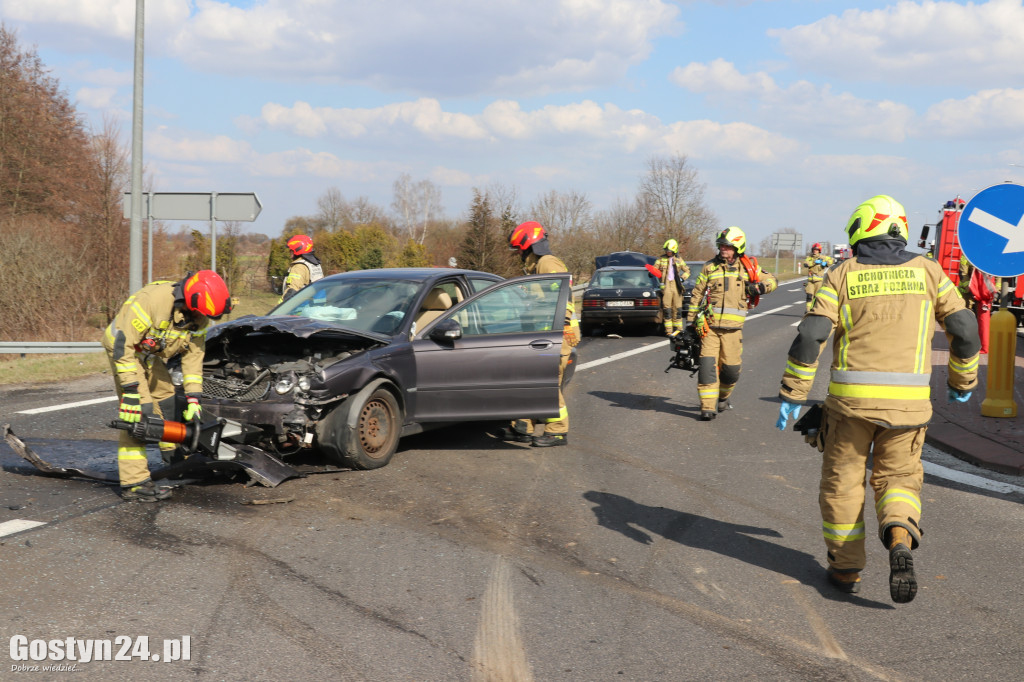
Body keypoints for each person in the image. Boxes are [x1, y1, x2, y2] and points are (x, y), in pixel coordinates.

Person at [775, 195, 980, 603]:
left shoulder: (841, 274)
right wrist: (963, 380)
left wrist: (793, 393)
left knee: (843, 483)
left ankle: (846, 568)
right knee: (899, 481)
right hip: (910, 407)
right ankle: (899, 537)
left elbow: (812, 335)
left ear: (859, 231)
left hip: (850, 407)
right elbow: (964, 328)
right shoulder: (929, 271)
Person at [103, 270, 232, 501]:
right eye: (201, 314)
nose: (203, 319)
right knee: (139, 415)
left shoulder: (198, 318)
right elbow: (123, 346)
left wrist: (194, 399)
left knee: (168, 401)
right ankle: (134, 483)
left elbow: (193, 360)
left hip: (149, 355)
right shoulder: (153, 302)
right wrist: (131, 391)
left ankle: (173, 460)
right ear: (190, 302)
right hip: (126, 353)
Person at [499, 221, 579, 447]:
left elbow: (562, 301)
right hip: (539, 337)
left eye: (520, 249)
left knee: (547, 384)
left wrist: (553, 335)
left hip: (553, 337)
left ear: (528, 244)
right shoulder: (536, 267)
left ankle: (557, 431)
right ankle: (522, 427)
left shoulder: (547, 263)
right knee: (530, 381)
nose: (519, 254)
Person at [686, 226, 776, 421]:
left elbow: (772, 280)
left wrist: (760, 287)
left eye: (727, 246)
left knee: (731, 370)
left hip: (733, 331)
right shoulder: (709, 267)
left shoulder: (748, 268)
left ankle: (723, 397)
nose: (722, 249)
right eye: (721, 245)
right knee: (707, 367)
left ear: (737, 247)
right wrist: (691, 324)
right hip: (710, 329)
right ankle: (707, 408)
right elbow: (697, 295)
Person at [648, 239, 691, 335]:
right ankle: (668, 331)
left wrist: (682, 278)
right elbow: (655, 268)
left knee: (678, 309)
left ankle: (679, 330)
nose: (667, 252)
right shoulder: (661, 259)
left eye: (669, 251)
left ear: (674, 250)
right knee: (667, 310)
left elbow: (687, 270)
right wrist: (651, 272)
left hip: (677, 286)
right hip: (666, 286)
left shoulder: (679, 260)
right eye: (666, 250)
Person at [280, 234, 324, 302]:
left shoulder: (299, 267)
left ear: (298, 249)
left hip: (303, 308)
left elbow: (292, 291)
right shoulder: (315, 264)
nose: (289, 252)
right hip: (318, 306)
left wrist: (279, 308)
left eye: (291, 250)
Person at [803, 243, 833, 312]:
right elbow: (806, 264)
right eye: (814, 250)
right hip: (810, 281)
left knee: (817, 297)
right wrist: (814, 262)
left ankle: (815, 310)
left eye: (816, 250)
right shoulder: (809, 258)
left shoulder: (823, 257)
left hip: (819, 281)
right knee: (809, 296)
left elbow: (832, 260)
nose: (815, 251)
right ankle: (808, 310)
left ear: (819, 250)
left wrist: (826, 263)